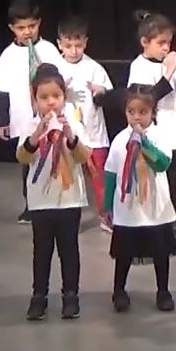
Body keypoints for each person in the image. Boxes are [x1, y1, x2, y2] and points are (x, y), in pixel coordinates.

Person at [16, 64, 91, 321]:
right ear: (34, 99)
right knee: (42, 251)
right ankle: (39, 297)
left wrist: (70, 135)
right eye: (44, 97)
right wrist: (37, 134)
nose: (51, 102)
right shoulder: (30, 125)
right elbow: (23, 157)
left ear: (64, 97)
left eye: (56, 96)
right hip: (40, 200)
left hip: (69, 199)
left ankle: (71, 296)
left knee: (69, 250)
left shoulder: (74, 123)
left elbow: (84, 157)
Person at [104, 84, 176, 312]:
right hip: (128, 207)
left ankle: (163, 291)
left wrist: (143, 142)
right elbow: (111, 173)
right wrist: (107, 206)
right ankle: (119, 290)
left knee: (160, 252)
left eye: (142, 112)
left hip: (155, 207)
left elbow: (162, 164)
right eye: (131, 111)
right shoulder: (120, 140)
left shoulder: (160, 136)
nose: (136, 117)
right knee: (124, 253)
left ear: (153, 112)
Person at [0, 0, 64, 224]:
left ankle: (55, 201)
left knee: (53, 157)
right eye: (21, 27)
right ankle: (31, 204)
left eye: (31, 26)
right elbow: (1, 90)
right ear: (12, 28)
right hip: (23, 118)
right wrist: (2, 120)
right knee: (28, 160)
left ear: (39, 23)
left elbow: (62, 82)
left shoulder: (49, 50)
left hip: (49, 115)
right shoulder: (8, 55)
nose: (27, 32)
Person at [126, 10, 176, 249]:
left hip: (173, 132)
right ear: (145, 42)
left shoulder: (167, 64)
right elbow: (147, 99)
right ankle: (151, 227)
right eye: (161, 43)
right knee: (153, 181)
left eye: (169, 43)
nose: (166, 48)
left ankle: (172, 226)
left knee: (172, 182)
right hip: (154, 134)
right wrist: (169, 72)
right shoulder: (139, 66)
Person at [56, 15, 114, 232]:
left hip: (94, 134)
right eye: (68, 45)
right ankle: (67, 219)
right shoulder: (54, 68)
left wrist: (100, 93)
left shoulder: (94, 68)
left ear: (85, 43)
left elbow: (108, 96)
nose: (73, 50)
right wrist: (61, 89)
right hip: (66, 135)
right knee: (67, 178)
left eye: (78, 45)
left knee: (100, 179)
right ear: (59, 43)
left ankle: (106, 216)